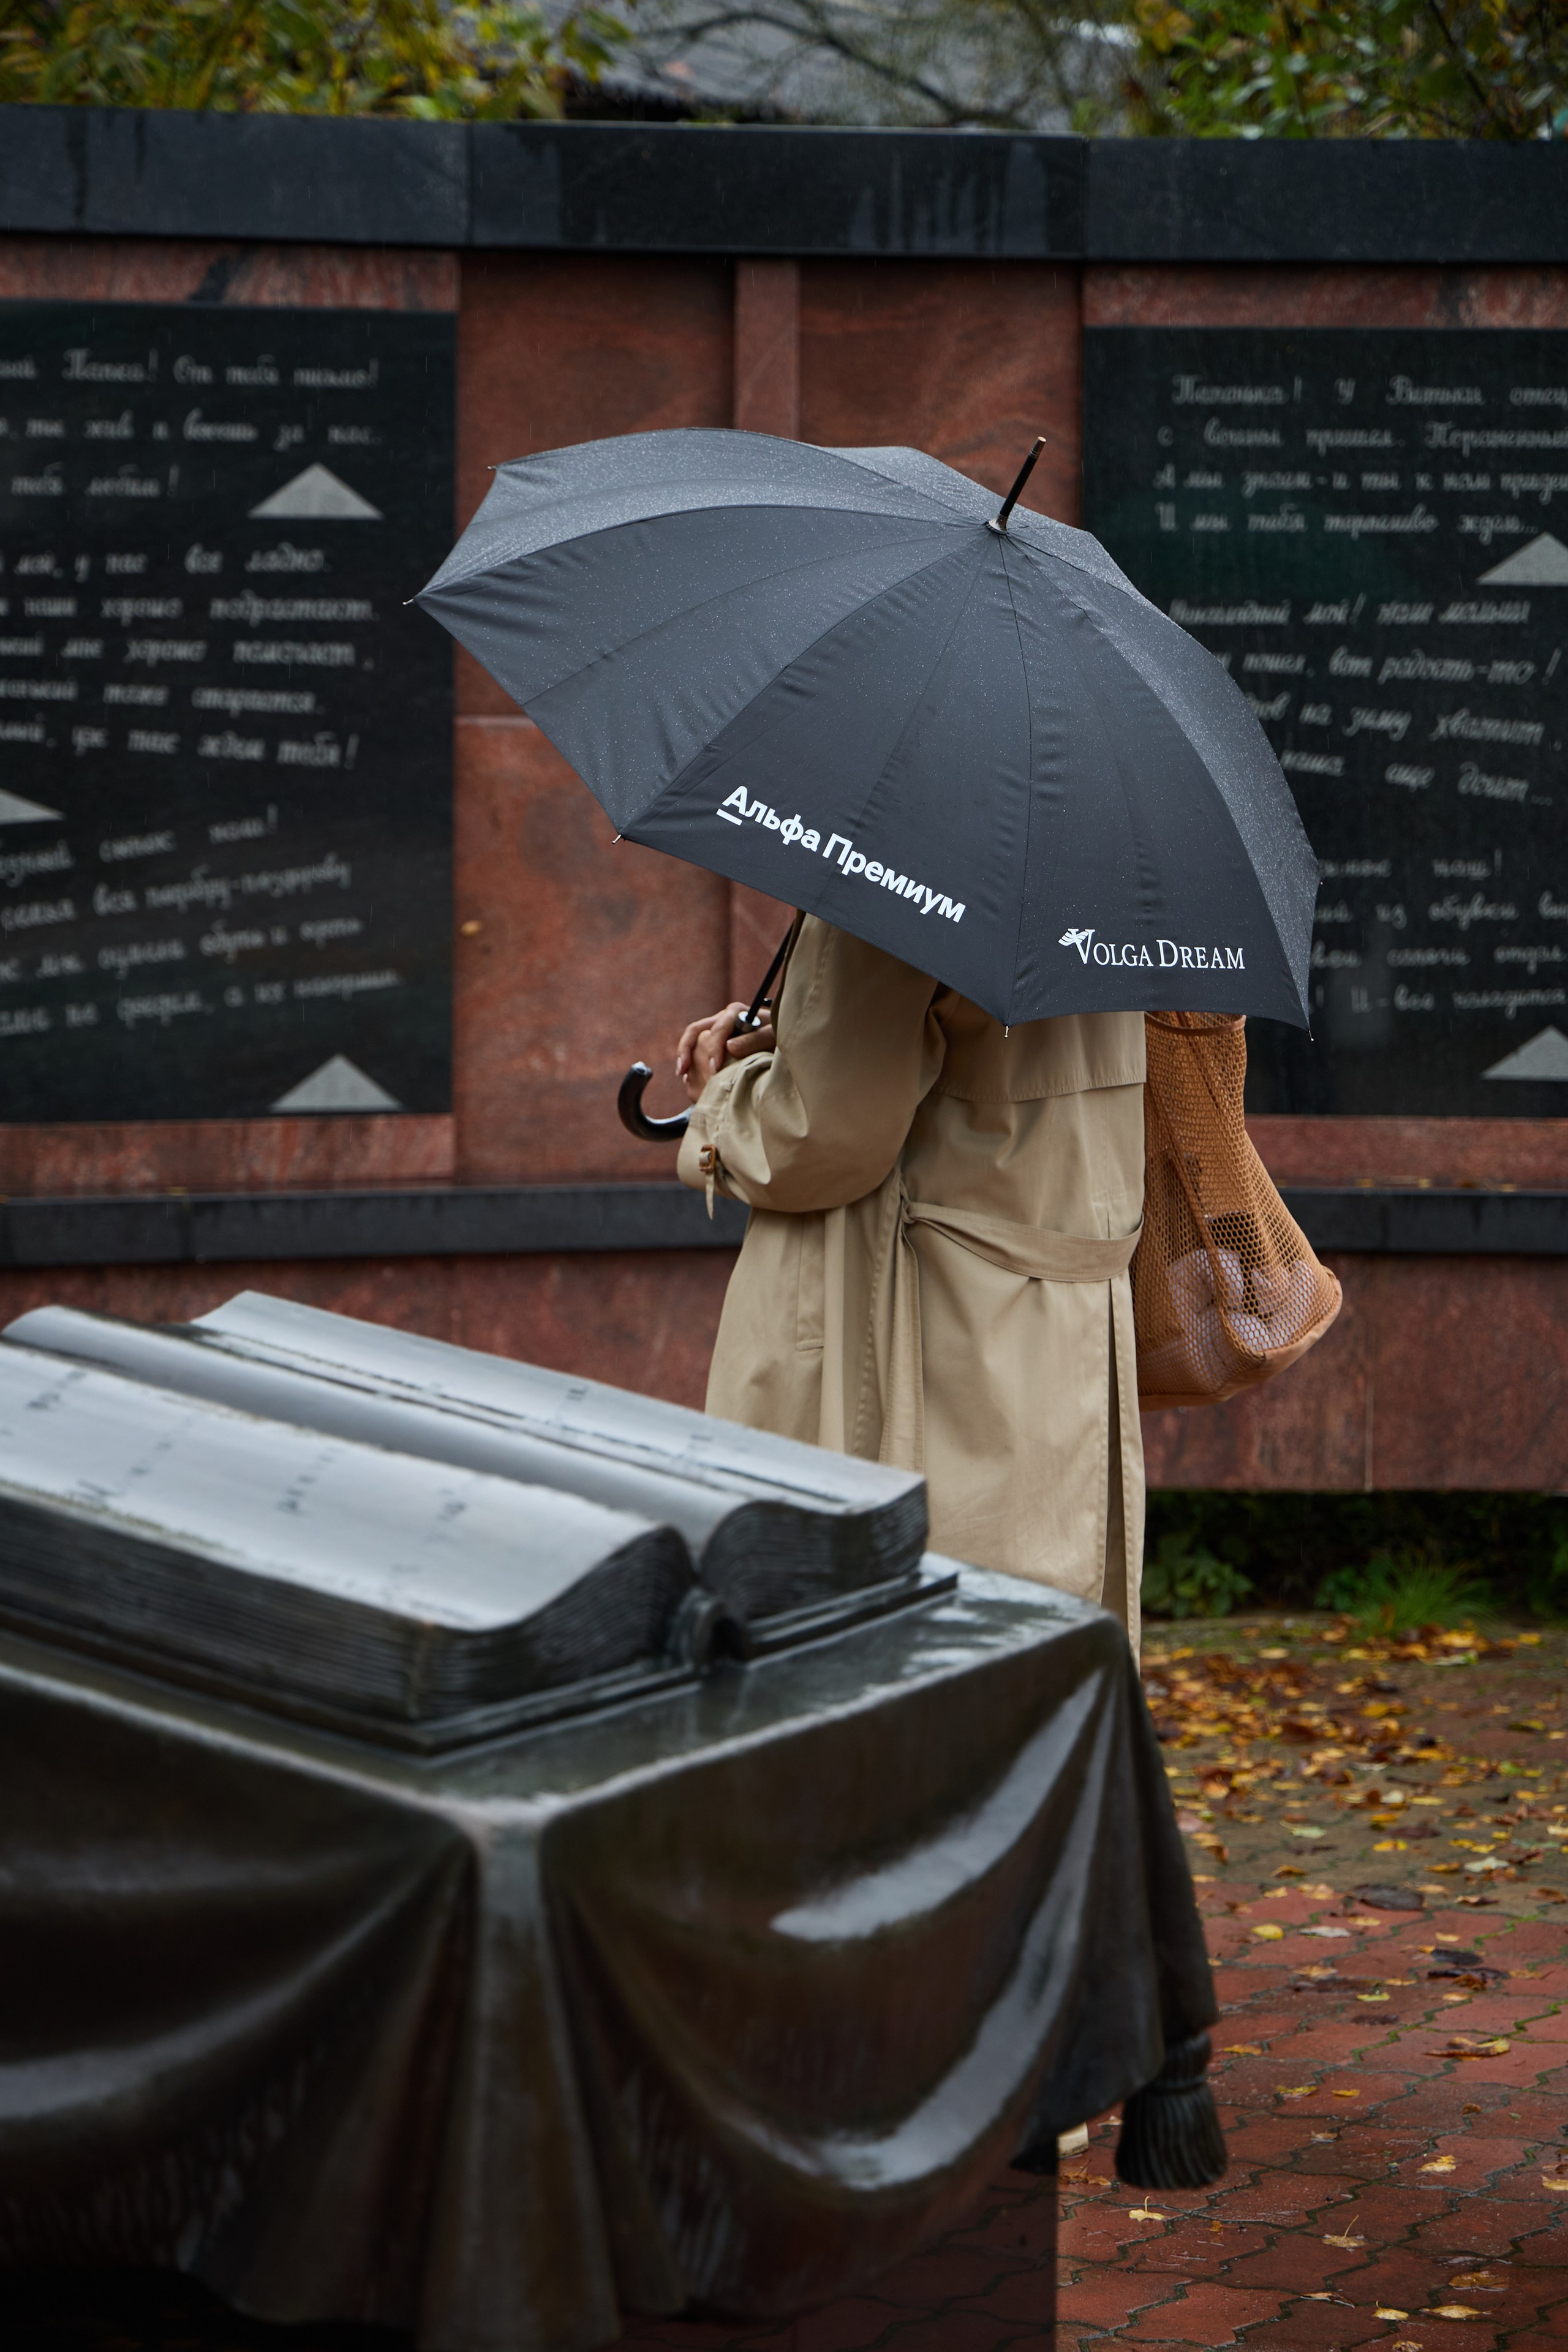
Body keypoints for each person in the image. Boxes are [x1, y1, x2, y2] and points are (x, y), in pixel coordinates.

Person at [674, 912, 1147, 1646]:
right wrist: (793, 1023)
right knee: (1027, 1656)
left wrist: (720, 1099)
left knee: (887, 1658)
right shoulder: (1105, 874)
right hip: (1057, 1330)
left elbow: (818, 1137)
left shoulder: (897, 882)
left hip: (927, 1325)